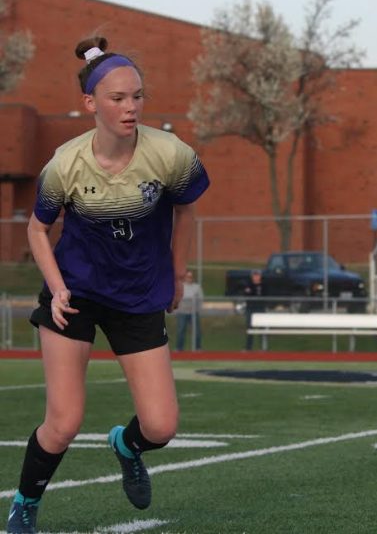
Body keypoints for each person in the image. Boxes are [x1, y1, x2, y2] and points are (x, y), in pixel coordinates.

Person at [6, 36, 209, 534]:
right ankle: (25, 504)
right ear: (90, 103)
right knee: (64, 423)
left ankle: (126, 445)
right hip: (75, 294)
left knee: (161, 427)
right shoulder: (65, 163)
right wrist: (55, 288)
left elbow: (186, 209)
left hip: (138, 296)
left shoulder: (170, 154)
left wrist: (177, 271)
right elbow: (37, 228)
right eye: (118, 98)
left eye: (137, 96)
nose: (131, 107)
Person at [174, 270, 203, 351]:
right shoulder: (181, 286)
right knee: (181, 331)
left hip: (193, 313)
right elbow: (177, 299)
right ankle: (179, 348)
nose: (189, 278)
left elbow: (200, 299)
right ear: (185, 277)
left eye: (190, 277)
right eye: (187, 276)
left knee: (197, 331)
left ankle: (198, 348)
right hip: (182, 313)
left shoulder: (197, 287)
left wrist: (198, 310)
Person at [243, 269, 265, 351]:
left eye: (257, 275)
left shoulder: (264, 286)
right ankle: (248, 348)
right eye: (254, 275)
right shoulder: (249, 285)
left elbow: (266, 296)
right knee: (249, 328)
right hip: (250, 309)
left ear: (260, 276)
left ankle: (263, 347)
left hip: (260, 309)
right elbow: (246, 295)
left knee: (262, 329)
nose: (256, 277)